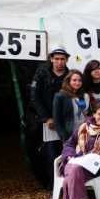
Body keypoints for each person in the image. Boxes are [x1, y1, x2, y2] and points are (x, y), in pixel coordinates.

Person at [30, 48, 70, 189]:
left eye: (62, 59)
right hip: (49, 123)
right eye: (57, 59)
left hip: (66, 123)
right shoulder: (42, 74)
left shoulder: (69, 75)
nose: (59, 62)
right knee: (51, 154)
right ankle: (54, 186)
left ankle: (66, 185)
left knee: (66, 153)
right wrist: (46, 118)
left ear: (66, 60)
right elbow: (35, 97)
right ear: (51, 59)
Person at [53, 70, 90, 142]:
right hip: (69, 135)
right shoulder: (60, 96)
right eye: (74, 80)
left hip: (85, 134)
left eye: (80, 80)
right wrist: (64, 138)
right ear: (68, 81)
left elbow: (88, 114)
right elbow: (57, 121)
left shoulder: (85, 96)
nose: (77, 83)